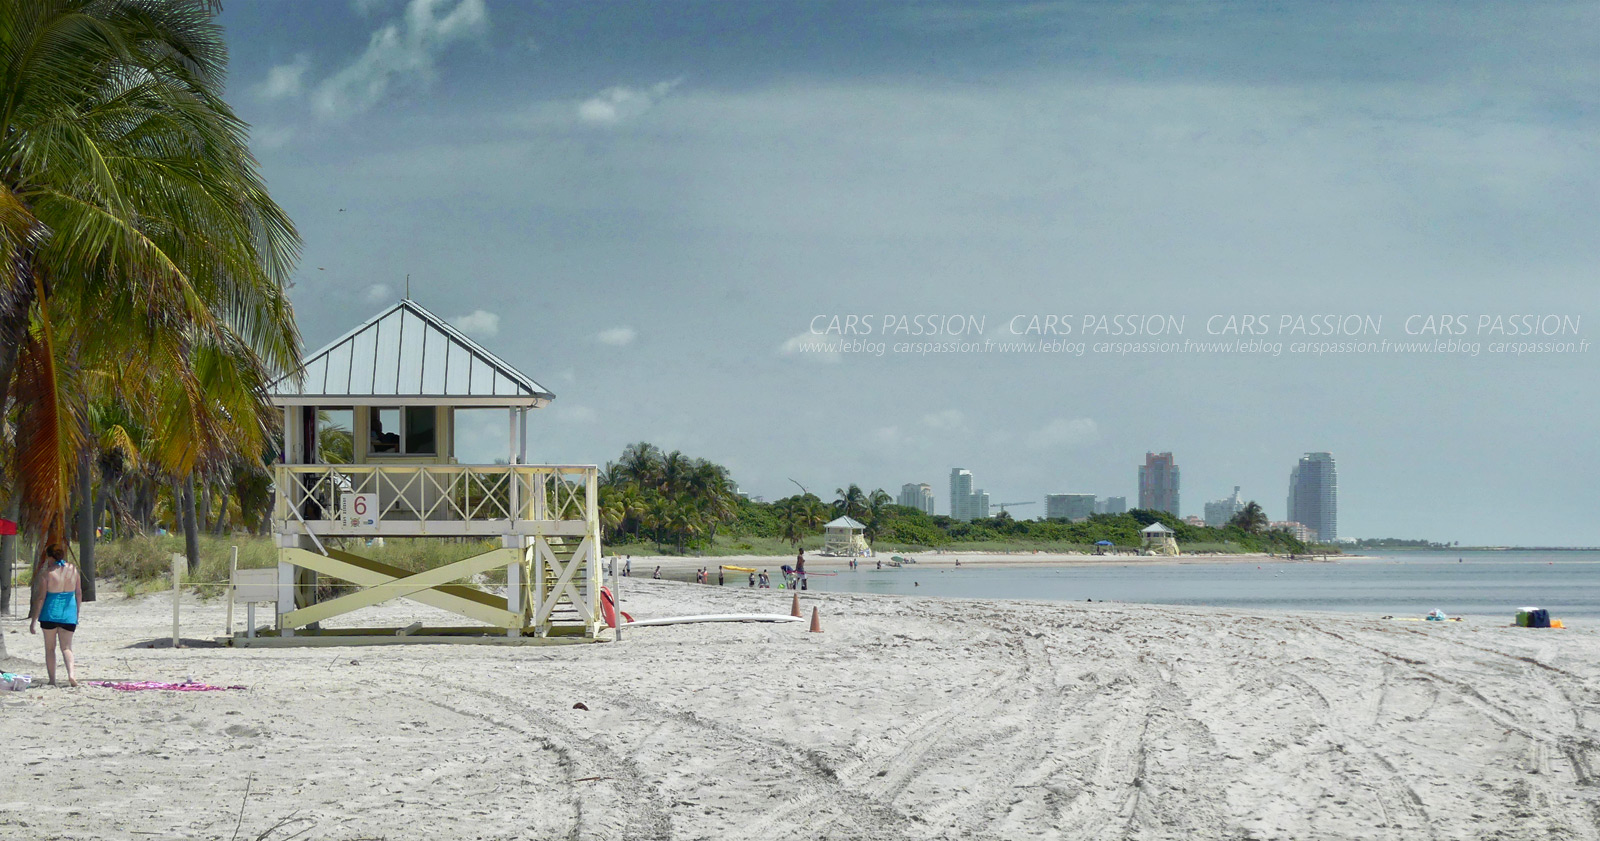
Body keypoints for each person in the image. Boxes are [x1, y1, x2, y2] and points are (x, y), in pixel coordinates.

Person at [30, 544, 81, 687]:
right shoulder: (73, 570)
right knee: (67, 648)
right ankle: (71, 675)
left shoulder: (47, 573)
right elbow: (78, 592)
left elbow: (41, 598)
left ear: (50, 557)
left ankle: (52, 680)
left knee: (50, 648)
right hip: (68, 614)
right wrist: (77, 612)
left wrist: (33, 621)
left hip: (49, 614)